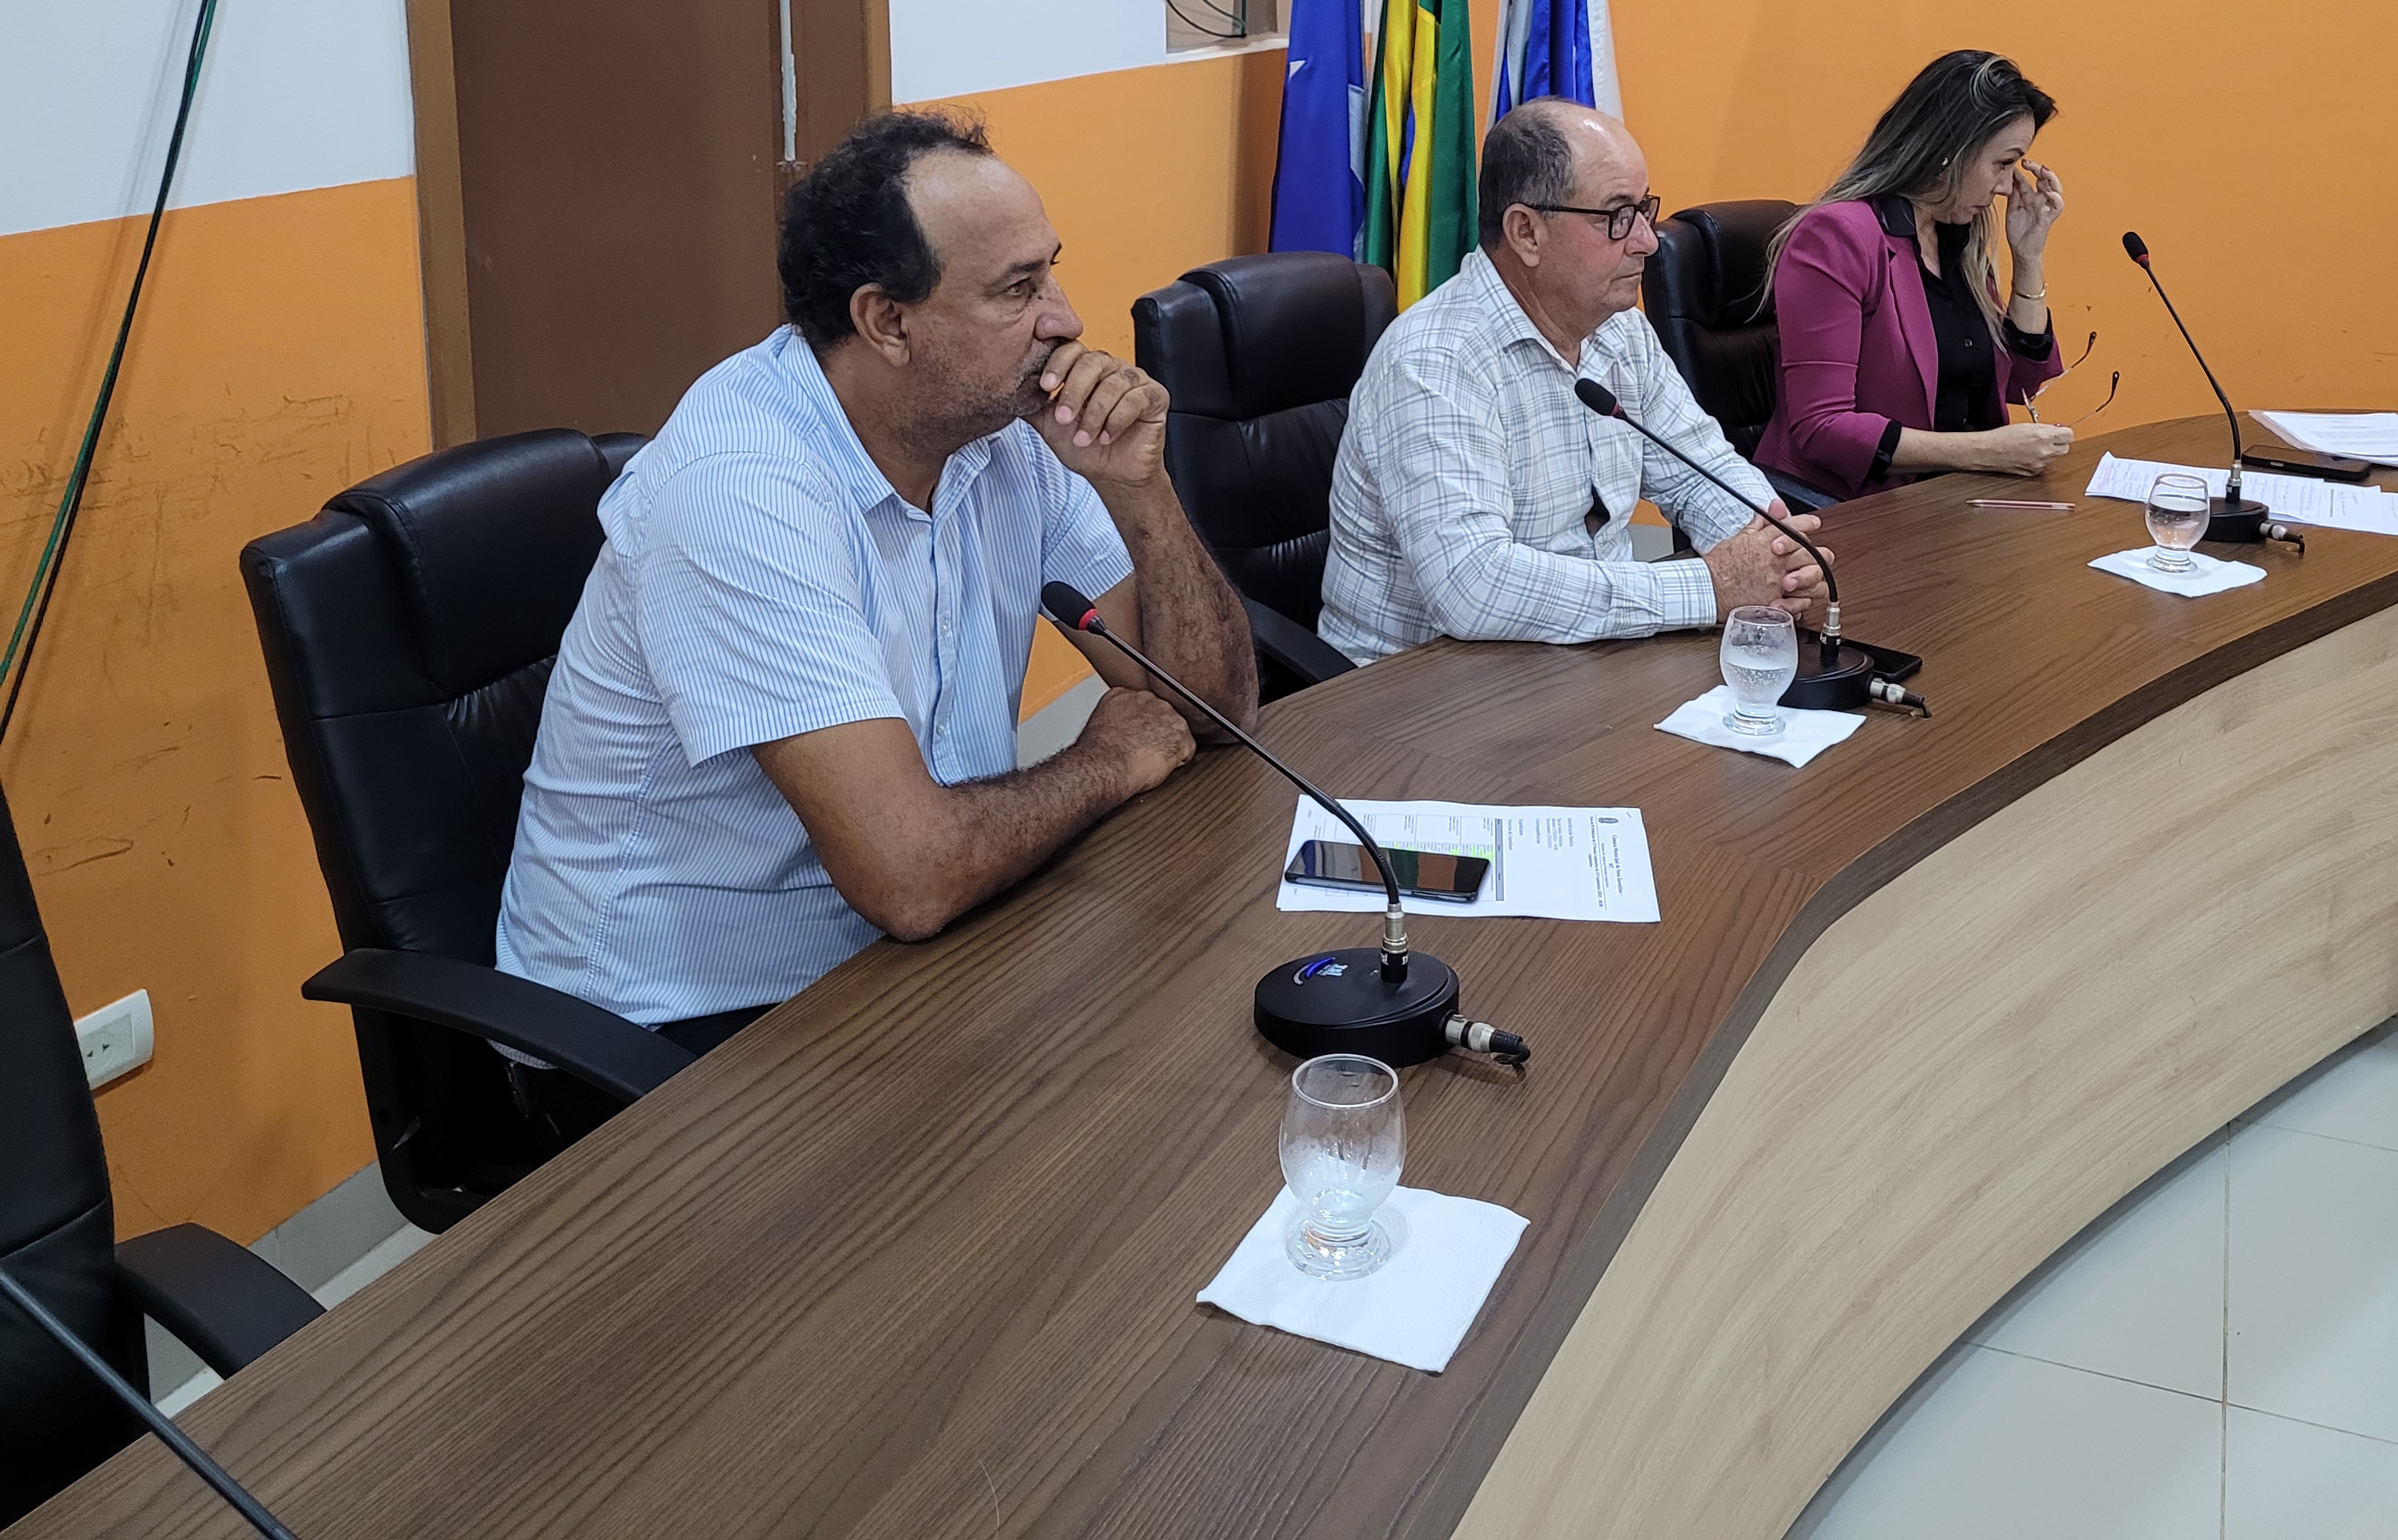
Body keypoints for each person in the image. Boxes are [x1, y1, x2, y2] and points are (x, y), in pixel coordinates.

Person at [494, 110, 1253, 1142]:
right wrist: (1110, 758)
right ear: (887, 321)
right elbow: (913, 876)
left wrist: (1141, 491)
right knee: (1086, 1152)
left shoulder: (1005, 435)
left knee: (1177, 1063)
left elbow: (1214, 712)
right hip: (671, 1027)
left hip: (890, 957)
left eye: (1052, 274)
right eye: (1018, 290)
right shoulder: (741, 490)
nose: (1067, 320)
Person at [1320, 99, 1831, 663]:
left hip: (1581, 657)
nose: (1647, 240)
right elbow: (1474, 586)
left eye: (1644, 208)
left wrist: (1779, 556)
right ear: (1526, 233)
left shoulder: (1619, 332)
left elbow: (1700, 472)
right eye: (1617, 216)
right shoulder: (1434, 361)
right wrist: (1710, 588)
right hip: (1417, 691)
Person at [1756, 51, 2073, 501]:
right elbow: (1822, 428)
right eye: (2003, 163)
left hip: (1953, 498)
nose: (2006, 187)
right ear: (1950, 150)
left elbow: (2020, 384)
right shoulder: (1837, 236)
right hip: (1852, 506)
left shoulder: (1958, 237)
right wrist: (1985, 452)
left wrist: (2029, 255)